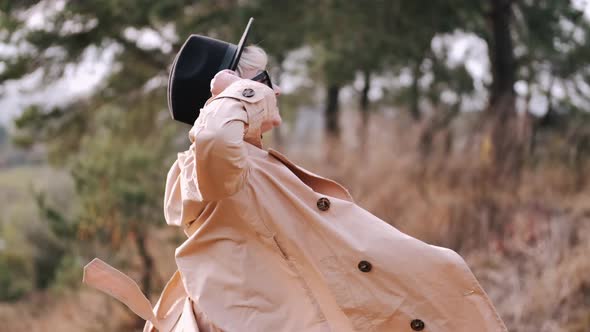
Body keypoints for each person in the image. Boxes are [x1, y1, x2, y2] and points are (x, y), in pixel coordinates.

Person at [83, 22, 507, 332]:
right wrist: (235, 93)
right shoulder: (204, 165)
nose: (273, 92)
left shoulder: (246, 162)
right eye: (261, 82)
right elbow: (214, 138)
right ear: (222, 100)